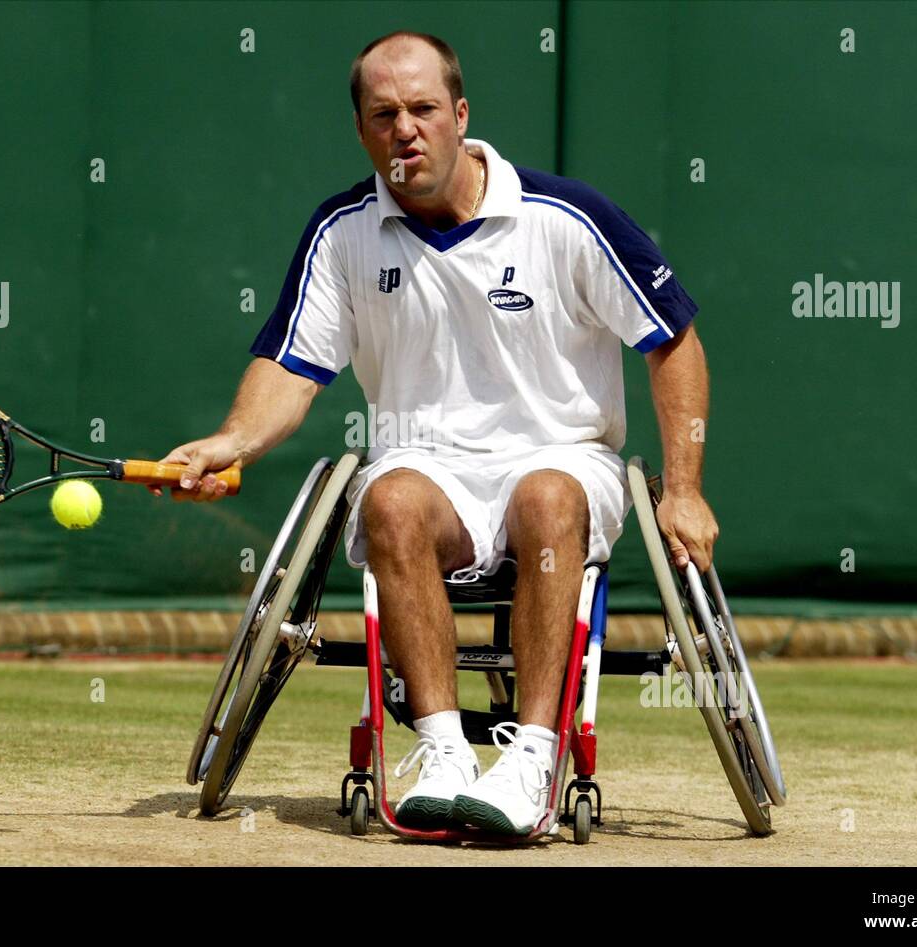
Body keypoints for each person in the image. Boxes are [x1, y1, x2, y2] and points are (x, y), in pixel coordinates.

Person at [152, 31, 717, 836]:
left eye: (421, 109)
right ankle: (443, 750)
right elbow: (291, 366)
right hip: (429, 465)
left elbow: (674, 341)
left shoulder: (566, 217)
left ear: (459, 115)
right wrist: (228, 442)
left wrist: (684, 488)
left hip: (563, 455)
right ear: (361, 131)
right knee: (389, 502)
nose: (404, 130)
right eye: (383, 114)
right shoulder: (341, 232)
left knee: (547, 497)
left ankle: (529, 758)